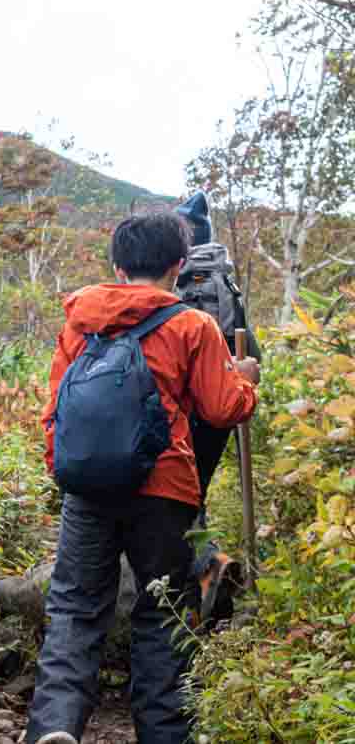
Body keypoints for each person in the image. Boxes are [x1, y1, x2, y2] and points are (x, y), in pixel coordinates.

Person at [26, 212, 260, 744]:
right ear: (179, 266)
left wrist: (69, 475)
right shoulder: (191, 325)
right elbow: (223, 409)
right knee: (164, 613)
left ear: (117, 265)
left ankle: (55, 728)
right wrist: (245, 382)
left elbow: (56, 410)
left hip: (87, 489)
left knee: (74, 610)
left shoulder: (81, 320)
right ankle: (163, 735)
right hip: (164, 490)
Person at [173, 192, 263, 621]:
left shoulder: (171, 278)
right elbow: (253, 351)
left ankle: (208, 571)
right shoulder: (224, 282)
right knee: (196, 490)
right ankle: (208, 576)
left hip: (181, 405)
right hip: (224, 401)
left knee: (181, 498)